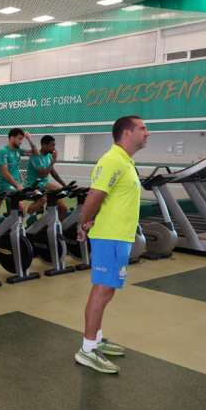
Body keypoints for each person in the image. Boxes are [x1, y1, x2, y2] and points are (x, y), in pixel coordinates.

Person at [74, 116, 148, 374]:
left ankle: (96, 339)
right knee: (102, 291)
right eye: (142, 128)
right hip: (109, 237)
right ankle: (87, 349)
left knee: (107, 291)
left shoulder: (126, 161)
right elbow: (95, 196)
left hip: (120, 237)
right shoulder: (113, 160)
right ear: (127, 133)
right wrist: (84, 225)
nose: (147, 133)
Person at [0, 128, 39, 223]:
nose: (21, 141)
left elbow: (36, 153)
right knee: (21, 205)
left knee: (40, 196)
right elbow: (5, 173)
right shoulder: (3, 151)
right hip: (5, 184)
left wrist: (29, 139)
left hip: (17, 183)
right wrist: (17, 185)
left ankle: (22, 220)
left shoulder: (19, 150)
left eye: (22, 139)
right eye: (19, 139)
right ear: (12, 138)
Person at [26, 135, 71, 221]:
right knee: (57, 189)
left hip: (45, 184)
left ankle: (50, 225)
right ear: (44, 145)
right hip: (34, 184)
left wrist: (64, 185)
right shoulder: (36, 156)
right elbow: (44, 174)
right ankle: (29, 218)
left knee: (63, 209)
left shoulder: (49, 156)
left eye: (55, 145)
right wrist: (54, 160)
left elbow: (53, 172)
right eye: (52, 145)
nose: (54, 148)